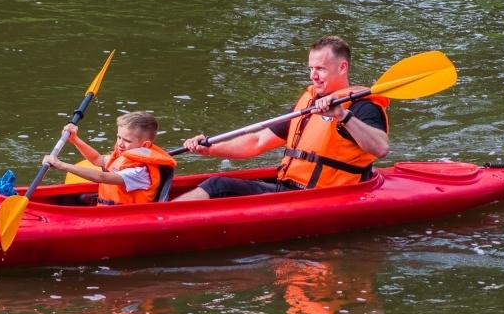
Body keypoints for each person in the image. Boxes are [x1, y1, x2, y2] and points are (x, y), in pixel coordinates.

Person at [173, 35, 390, 201]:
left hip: (320, 196)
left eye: (320, 69)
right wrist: (211, 148)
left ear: (342, 67)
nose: (313, 76)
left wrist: (343, 115)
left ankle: (162, 219)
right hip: (289, 188)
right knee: (215, 184)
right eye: (311, 68)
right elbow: (257, 141)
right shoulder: (308, 103)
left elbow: (381, 148)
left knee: (217, 186)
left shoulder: (362, 107)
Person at [42, 110, 176, 205]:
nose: (120, 144)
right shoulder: (123, 156)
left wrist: (62, 165)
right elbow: (97, 159)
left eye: (127, 141)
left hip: (124, 218)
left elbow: (102, 177)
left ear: (145, 145)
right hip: (108, 210)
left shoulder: (139, 172)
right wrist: (75, 140)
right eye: (119, 137)